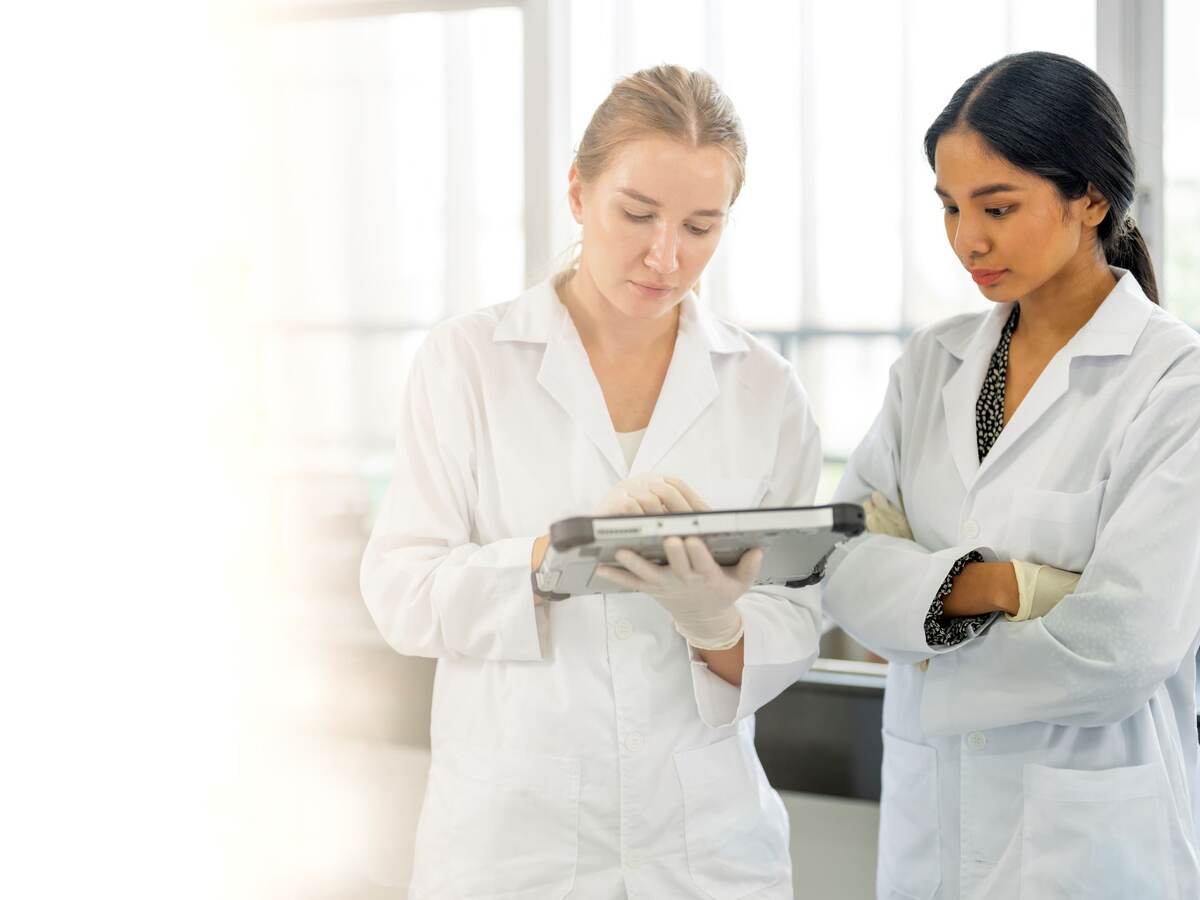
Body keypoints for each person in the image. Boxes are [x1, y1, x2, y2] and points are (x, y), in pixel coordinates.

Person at [361, 65, 823, 899]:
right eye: (637, 214)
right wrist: (551, 558)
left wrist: (716, 625)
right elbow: (399, 591)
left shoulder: (764, 388)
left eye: (700, 226)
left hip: (704, 849)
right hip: (515, 848)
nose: (665, 254)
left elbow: (800, 610)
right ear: (578, 191)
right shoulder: (468, 363)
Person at [822, 51, 1200, 899]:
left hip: (1092, 844)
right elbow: (839, 558)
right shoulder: (933, 364)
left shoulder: (1174, 383)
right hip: (932, 825)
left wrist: (920, 633)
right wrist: (996, 587)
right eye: (951, 208)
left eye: (997, 207)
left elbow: (1125, 648)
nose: (968, 240)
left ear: (1092, 198)